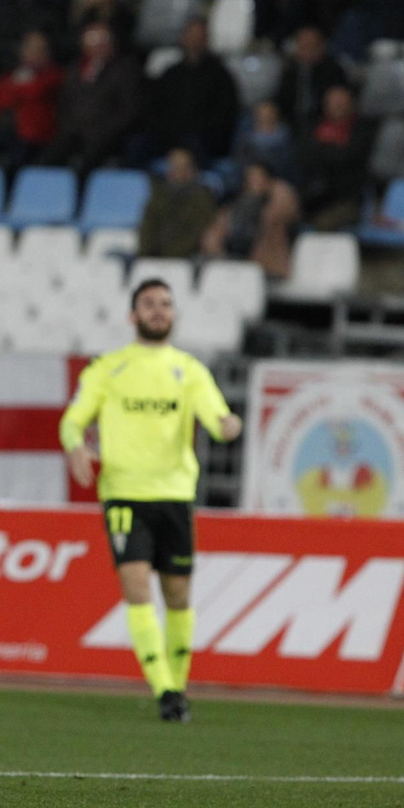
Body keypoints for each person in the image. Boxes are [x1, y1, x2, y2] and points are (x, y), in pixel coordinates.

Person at [59, 278, 243, 723]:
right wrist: (75, 446)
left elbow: (215, 417)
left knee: (177, 594)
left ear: (174, 314)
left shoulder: (190, 370)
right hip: (124, 494)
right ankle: (164, 689)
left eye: (165, 304)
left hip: (175, 494)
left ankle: (177, 685)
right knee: (136, 585)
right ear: (133, 315)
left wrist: (227, 426)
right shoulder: (107, 368)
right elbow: (73, 419)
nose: (158, 310)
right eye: (149, 304)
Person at [39, 23, 143, 175]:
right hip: (73, 132)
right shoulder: (75, 69)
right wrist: (69, 126)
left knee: (86, 163)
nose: (98, 46)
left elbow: (130, 109)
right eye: (93, 41)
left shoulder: (126, 70)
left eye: (102, 40)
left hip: (107, 135)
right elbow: (64, 103)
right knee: (46, 160)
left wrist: (105, 130)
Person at [146, 18, 241, 163]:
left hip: (204, 141)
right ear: (183, 38)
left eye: (199, 36)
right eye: (191, 35)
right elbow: (155, 109)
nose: (194, 41)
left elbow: (225, 116)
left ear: (206, 40)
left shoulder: (221, 76)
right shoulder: (170, 74)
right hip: (168, 138)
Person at [0, 29, 63, 171]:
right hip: (6, 132)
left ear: (47, 52)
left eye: (38, 49)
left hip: (35, 136)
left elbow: (33, 92)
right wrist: (17, 90)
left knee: (14, 164)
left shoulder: (54, 76)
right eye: (29, 48)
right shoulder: (14, 74)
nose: (33, 53)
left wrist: (15, 89)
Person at [203, 161, 300, 278]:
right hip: (236, 266)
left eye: (259, 177)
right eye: (250, 178)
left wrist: (269, 191)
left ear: (269, 180)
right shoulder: (237, 205)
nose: (254, 182)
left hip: (270, 269)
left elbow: (278, 214)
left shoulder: (280, 196)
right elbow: (213, 235)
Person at [297, 84, 373, 231]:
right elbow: (304, 155)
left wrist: (323, 149)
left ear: (351, 104)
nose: (337, 106)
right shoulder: (312, 126)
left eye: (341, 102)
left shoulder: (362, 130)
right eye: (333, 102)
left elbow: (349, 158)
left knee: (323, 224)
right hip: (311, 196)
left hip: (347, 199)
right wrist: (334, 150)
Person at [137, 148, 218, 260]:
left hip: (187, 259)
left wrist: (171, 255)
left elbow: (198, 230)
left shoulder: (202, 198)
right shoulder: (158, 196)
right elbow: (148, 228)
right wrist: (145, 255)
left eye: (182, 166)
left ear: (191, 169)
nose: (177, 171)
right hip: (155, 256)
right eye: (173, 166)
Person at [275, 25, 347, 133]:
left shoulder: (333, 70)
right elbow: (282, 100)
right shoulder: (290, 70)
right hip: (292, 121)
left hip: (325, 121)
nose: (308, 51)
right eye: (303, 46)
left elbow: (340, 99)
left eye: (312, 46)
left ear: (322, 46)